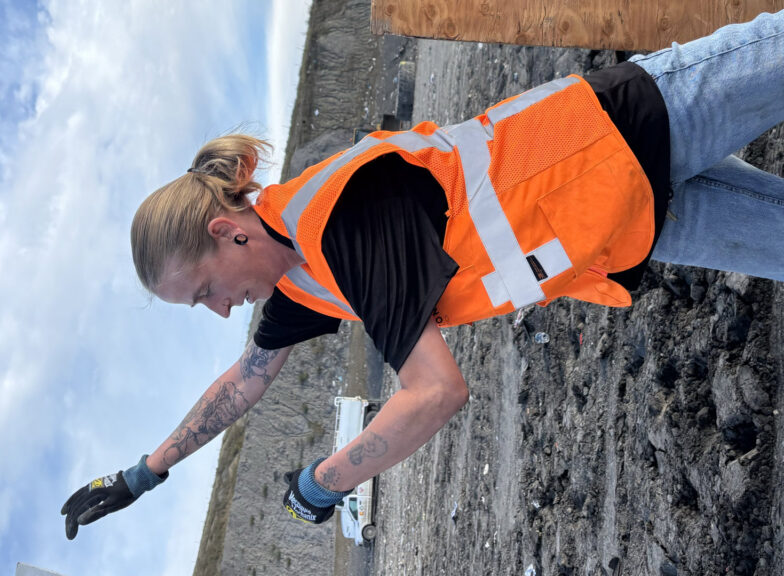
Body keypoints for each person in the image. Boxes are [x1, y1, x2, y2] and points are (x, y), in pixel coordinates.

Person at [61, 11, 784, 538]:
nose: (220, 310)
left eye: (205, 292)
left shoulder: (337, 224)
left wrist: (322, 484)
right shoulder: (300, 279)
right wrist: (142, 474)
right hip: (626, 223)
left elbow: (436, 392)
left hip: (634, 124)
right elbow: (245, 380)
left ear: (227, 231)